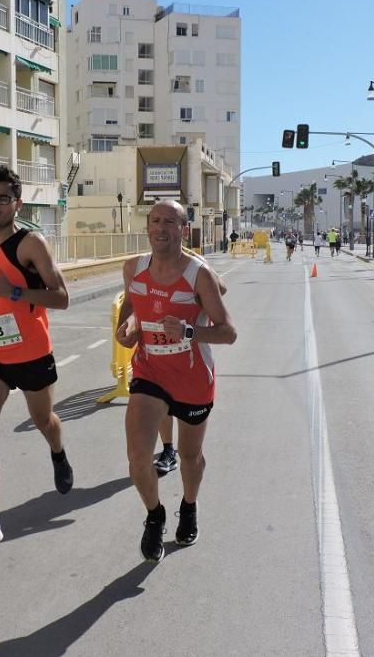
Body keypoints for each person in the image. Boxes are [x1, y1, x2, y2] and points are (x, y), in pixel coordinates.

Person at [116, 200, 237, 562]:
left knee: (189, 457)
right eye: (154, 220)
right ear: (147, 226)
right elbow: (133, 304)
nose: (160, 227)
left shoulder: (197, 274)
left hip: (192, 378)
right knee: (138, 456)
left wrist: (188, 330)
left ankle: (189, 505)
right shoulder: (132, 268)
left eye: (170, 221)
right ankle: (155, 516)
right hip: (150, 372)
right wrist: (129, 326)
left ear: (183, 229)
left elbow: (228, 333)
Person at [0, 165, 72, 556]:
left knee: (44, 420)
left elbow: (61, 297)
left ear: (17, 202)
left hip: (31, 353)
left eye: (2, 199)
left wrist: (15, 292)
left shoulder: (31, 244)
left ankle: (57, 452)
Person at [153, 250, 228, 477]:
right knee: (160, 402)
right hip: (158, 351)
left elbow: (221, 289)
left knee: (190, 443)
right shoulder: (150, 263)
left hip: (191, 356)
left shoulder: (195, 263)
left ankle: (189, 457)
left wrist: (201, 286)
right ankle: (167, 449)